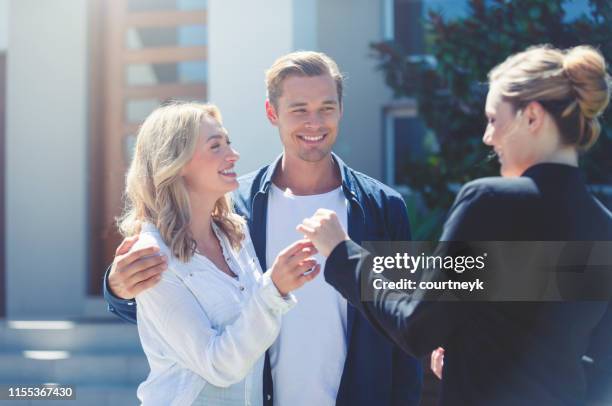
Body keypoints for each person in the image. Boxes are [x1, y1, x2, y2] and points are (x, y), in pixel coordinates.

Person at [298, 44, 612, 405]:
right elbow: (588, 358)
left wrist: (341, 252)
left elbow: (415, 327)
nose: (487, 138)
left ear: (532, 117)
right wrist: (472, 355)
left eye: (494, 119)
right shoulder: (602, 225)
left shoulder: (491, 203)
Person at [104, 51, 423, 406]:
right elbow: (178, 303)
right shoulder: (233, 207)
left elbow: (401, 322)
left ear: (341, 111)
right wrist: (117, 289)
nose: (314, 122)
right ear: (273, 113)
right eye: (299, 109)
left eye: (327, 108)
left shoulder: (383, 207)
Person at [118, 102, 320, 405]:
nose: (233, 154)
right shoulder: (153, 258)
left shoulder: (234, 234)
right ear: (177, 162)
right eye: (216, 146)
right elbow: (218, 366)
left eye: (229, 142)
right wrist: (273, 288)